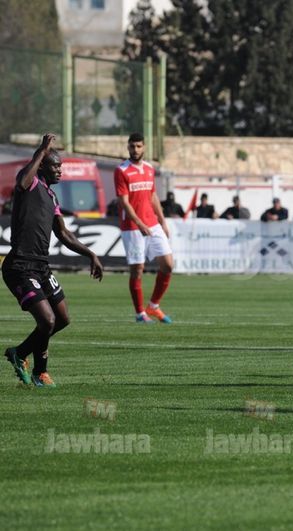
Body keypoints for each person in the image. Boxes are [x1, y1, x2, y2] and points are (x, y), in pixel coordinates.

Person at [3, 134, 103, 387]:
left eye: (61, 166)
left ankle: (24, 357)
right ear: (42, 166)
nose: (60, 170)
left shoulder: (52, 197)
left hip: (41, 267)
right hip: (20, 266)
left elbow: (64, 234)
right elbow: (22, 181)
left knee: (62, 319)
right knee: (46, 321)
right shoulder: (30, 183)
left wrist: (90, 254)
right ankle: (36, 368)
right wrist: (42, 149)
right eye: (55, 165)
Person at [115, 132, 174, 324]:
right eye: (132, 146)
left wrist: (162, 221)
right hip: (132, 226)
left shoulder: (149, 168)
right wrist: (139, 224)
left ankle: (153, 306)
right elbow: (124, 202)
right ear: (128, 147)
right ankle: (140, 313)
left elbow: (153, 196)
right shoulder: (121, 170)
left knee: (168, 265)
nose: (135, 150)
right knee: (137, 269)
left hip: (153, 224)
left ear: (144, 147)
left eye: (139, 146)